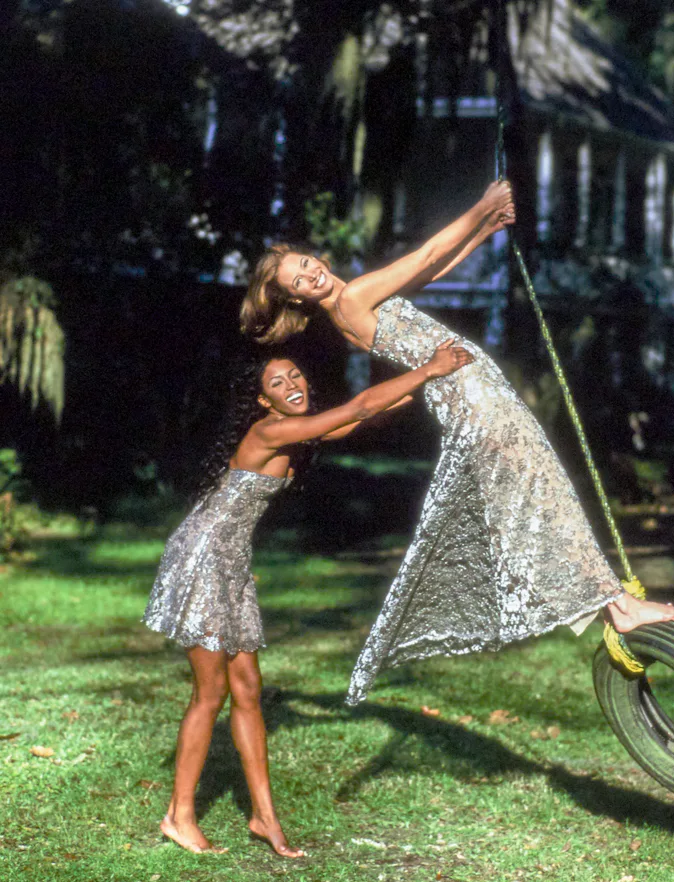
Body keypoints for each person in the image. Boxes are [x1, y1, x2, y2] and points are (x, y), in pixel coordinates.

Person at [239, 181, 674, 707]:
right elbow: (425, 252)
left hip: (471, 394)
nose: (312, 274)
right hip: (472, 395)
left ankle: (610, 603)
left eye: (307, 264)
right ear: (295, 297)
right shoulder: (353, 298)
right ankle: (617, 607)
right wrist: (482, 205)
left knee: (539, 498)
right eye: (300, 280)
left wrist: (486, 234)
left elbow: (429, 272)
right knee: (543, 499)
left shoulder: (352, 300)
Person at [142, 340, 473, 854]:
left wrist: (426, 387)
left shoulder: (293, 433)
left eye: (295, 375)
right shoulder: (269, 431)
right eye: (278, 383)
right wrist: (430, 367)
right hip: (201, 560)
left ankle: (264, 817)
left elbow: (355, 420)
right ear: (263, 403)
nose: (292, 386)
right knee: (211, 694)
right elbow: (358, 408)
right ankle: (178, 815)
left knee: (248, 690)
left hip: (229, 562)